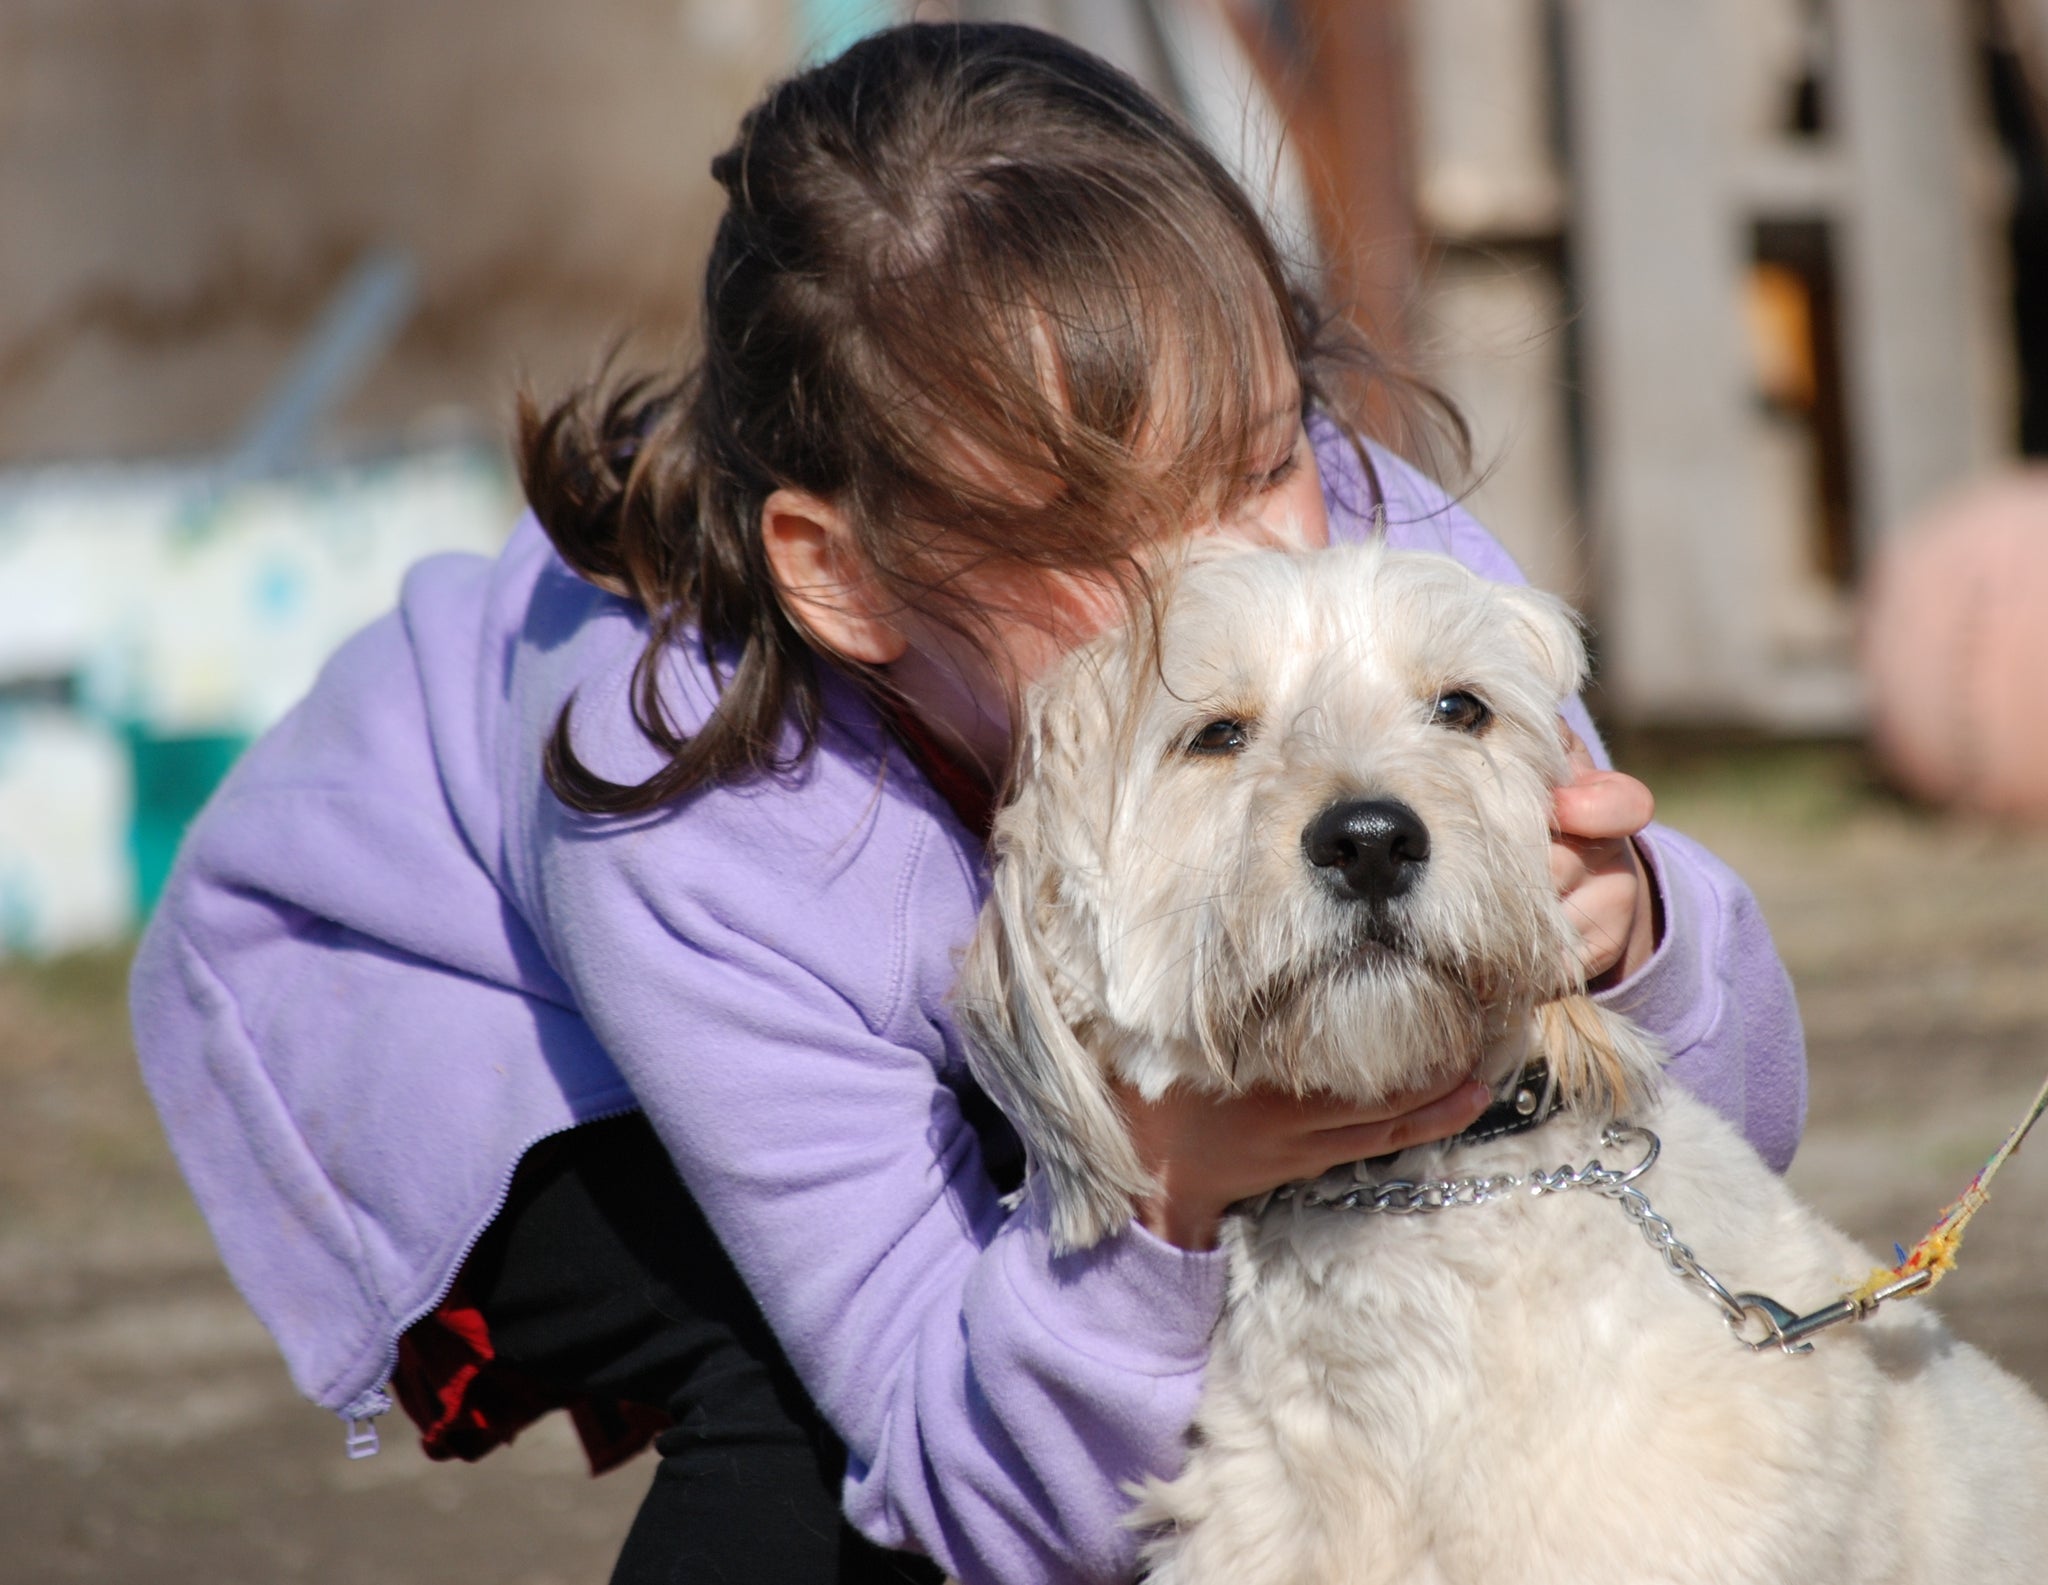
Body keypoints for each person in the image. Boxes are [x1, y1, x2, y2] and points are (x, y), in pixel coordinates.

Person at [129, 21, 1806, 1585]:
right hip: (471, 1010)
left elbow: (1719, 1158)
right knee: (815, 1410)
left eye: (1256, 458)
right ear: (845, 579)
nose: (1233, 575)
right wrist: (1163, 1200)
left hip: (928, 944)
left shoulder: (1378, 564)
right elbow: (963, 1461)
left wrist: (1634, 935)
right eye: (1098, 535)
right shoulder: (693, 827)